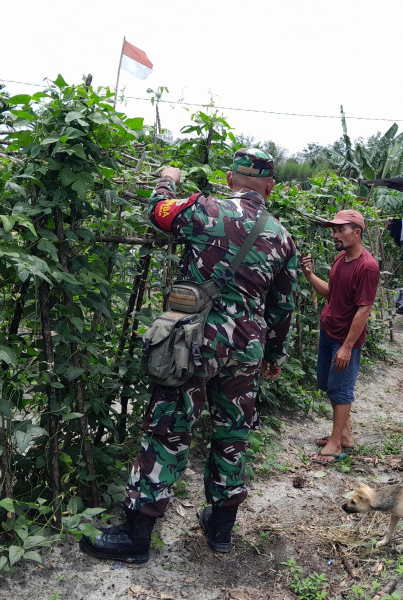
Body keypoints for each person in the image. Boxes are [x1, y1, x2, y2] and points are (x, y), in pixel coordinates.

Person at [80, 149, 298, 563]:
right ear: (270, 187)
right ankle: (220, 530)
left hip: (195, 344)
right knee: (233, 433)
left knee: (168, 430)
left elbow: (157, 212)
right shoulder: (283, 235)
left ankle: (136, 535)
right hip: (247, 348)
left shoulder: (203, 209)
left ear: (231, 178)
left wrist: (167, 179)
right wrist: (273, 355)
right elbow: (282, 307)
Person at [300, 209, 380, 464]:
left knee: (341, 390)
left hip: (344, 339)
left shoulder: (367, 266)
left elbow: (363, 310)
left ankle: (335, 444)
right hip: (329, 332)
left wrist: (346, 347)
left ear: (357, 232)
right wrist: (310, 275)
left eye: (340, 229)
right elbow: (330, 294)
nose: (335, 234)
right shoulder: (340, 259)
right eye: (334, 230)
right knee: (327, 385)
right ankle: (344, 435)